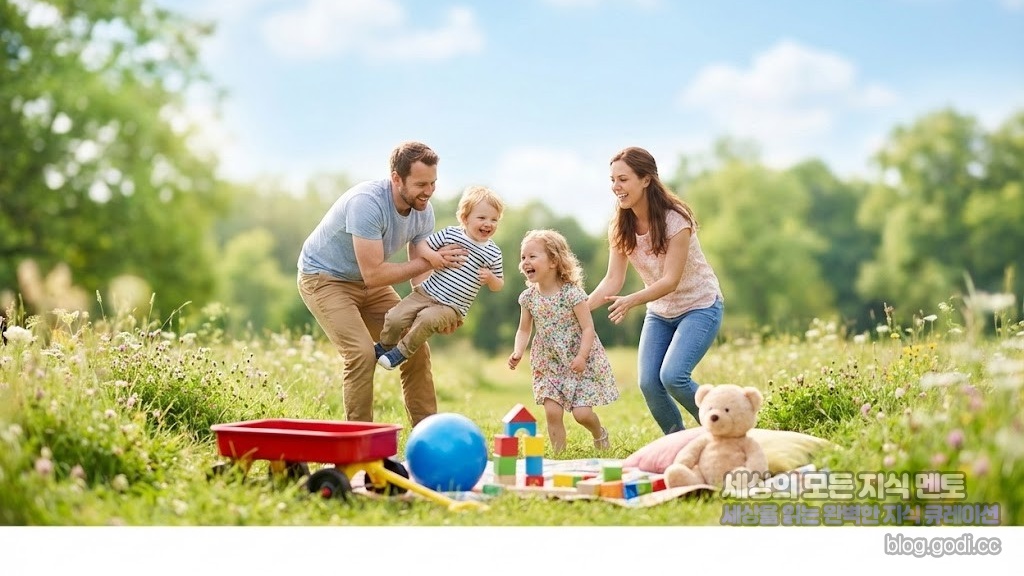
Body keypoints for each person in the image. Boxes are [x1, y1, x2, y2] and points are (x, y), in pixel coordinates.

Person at [296, 141, 469, 427]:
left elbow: (418, 276)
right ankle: (360, 442)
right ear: (396, 178)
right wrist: (433, 260)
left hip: (368, 283)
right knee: (361, 354)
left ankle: (428, 437)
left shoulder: (423, 210)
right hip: (325, 279)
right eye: (421, 184)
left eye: (433, 183)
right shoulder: (367, 203)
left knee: (415, 346)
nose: (428, 191)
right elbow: (375, 274)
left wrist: (437, 311)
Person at [587, 146, 724, 435]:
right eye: (612, 180)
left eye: (623, 179)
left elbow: (670, 280)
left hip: (699, 306)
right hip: (661, 312)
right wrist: (579, 310)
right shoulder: (620, 225)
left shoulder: (676, 220)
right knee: (649, 383)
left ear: (646, 179)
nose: (616, 187)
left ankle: (727, 425)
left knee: (673, 376)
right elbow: (613, 280)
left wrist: (631, 301)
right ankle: (679, 442)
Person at [508, 229, 619, 453]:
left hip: (579, 360)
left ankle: (599, 433)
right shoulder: (528, 298)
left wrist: (582, 356)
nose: (525, 262)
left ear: (553, 261)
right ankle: (560, 455)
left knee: (582, 414)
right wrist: (518, 351)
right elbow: (524, 329)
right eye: (523, 257)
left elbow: (588, 328)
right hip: (549, 362)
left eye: (532, 256)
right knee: (552, 411)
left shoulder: (572, 294)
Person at [375, 185, 505, 370]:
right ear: (465, 218)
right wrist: (435, 257)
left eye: (494, 219)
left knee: (426, 319)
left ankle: (400, 354)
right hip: (426, 292)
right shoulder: (450, 234)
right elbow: (422, 246)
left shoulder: (493, 253)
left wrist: (491, 278)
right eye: (482, 218)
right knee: (395, 317)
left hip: (452, 307)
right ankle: (384, 347)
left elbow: (498, 284)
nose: (488, 223)